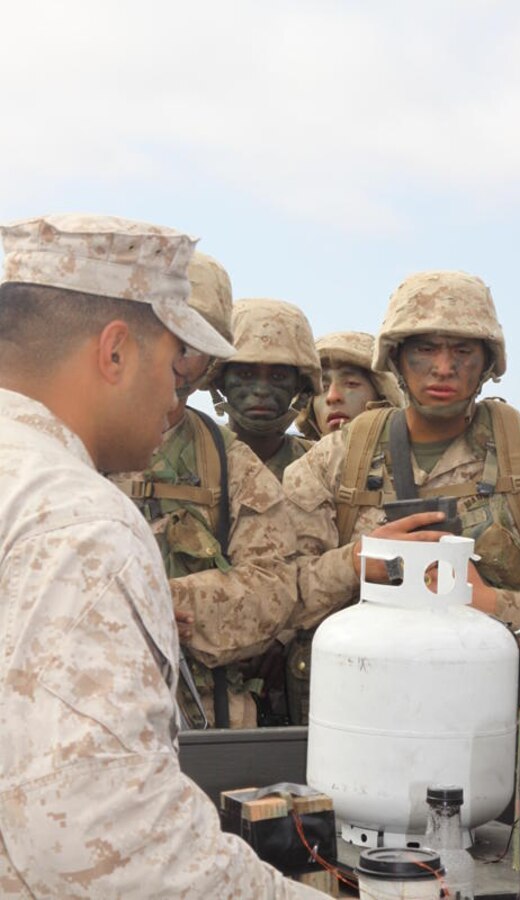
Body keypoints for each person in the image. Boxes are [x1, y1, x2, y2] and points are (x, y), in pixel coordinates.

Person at [0, 215, 323, 898]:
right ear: (115, 353)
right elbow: (106, 845)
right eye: (177, 363)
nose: (179, 394)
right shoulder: (78, 518)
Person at [283, 270, 520, 708]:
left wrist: (490, 604)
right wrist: (357, 563)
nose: (444, 368)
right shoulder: (333, 462)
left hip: (493, 714)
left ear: (488, 363)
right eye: (426, 350)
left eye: (463, 351)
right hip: (364, 706)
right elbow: (275, 598)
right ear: (395, 359)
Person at [113, 253, 299, 729]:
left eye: (188, 343)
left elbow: (274, 589)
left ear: (211, 359)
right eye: (154, 336)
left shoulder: (230, 461)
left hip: (203, 721)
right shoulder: (58, 445)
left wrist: (166, 603)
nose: (171, 360)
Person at [210, 298, 322, 482]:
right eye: (245, 374)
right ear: (221, 381)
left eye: (278, 377)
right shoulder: (190, 455)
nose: (261, 390)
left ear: (299, 386)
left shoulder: (321, 466)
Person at [296, 330, 403, 439]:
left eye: (351, 384)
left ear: (382, 398)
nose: (332, 397)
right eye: (323, 387)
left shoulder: (409, 453)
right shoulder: (295, 454)